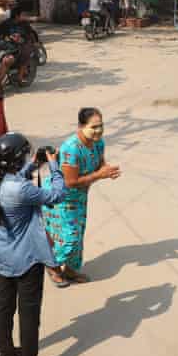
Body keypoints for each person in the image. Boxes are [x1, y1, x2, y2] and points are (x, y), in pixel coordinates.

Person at [0, 133, 67, 356]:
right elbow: (56, 194)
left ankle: (5, 352)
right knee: (29, 312)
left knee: (4, 304)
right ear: (17, 159)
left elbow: (12, 182)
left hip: (3, 253)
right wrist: (53, 165)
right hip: (27, 258)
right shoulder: (22, 189)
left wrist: (33, 164)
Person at [44, 108, 121, 283]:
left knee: (78, 235)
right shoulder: (71, 148)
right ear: (80, 127)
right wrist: (99, 175)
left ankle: (70, 270)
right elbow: (70, 181)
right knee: (68, 237)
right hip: (61, 197)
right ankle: (52, 266)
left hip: (80, 196)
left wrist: (107, 171)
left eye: (101, 126)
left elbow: (100, 164)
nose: (99, 131)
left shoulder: (98, 142)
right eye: (94, 127)